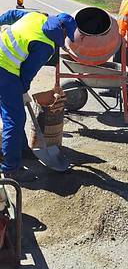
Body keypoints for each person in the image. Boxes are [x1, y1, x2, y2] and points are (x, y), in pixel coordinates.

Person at [0, 10, 76, 182]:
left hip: (3, 64)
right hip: (5, 71)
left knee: (13, 113)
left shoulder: (36, 16)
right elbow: (26, 74)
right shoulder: (46, 45)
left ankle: (20, 149)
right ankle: (11, 169)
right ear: (62, 30)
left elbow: (11, 14)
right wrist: (22, 90)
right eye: (66, 35)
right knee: (15, 119)